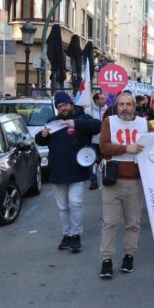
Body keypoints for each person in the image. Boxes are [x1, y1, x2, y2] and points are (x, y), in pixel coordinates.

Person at [98, 92, 154, 279]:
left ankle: (129, 255)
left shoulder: (143, 123)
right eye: (122, 104)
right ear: (116, 106)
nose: (125, 108)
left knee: (133, 223)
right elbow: (103, 147)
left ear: (135, 107)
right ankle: (107, 259)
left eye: (129, 104)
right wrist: (126, 148)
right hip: (113, 179)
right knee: (110, 222)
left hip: (136, 181)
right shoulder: (109, 122)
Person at [35, 92, 102, 253]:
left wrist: (75, 123)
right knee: (62, 207)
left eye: (64, 105)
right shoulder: (53, 122)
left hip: (77, 170)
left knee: (75, 203)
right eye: (59, 106)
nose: (62, 108)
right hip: (57, 170)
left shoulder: (82, 118)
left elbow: (97, 126)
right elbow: (40, 140)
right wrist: (42, 135)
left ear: (70, 104)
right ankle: (66, 234)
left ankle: (76, 235)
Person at [85, 92, 108, 190]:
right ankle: (93, 180)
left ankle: (106, 179)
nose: (104, 100)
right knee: (92, 161)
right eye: (102, 98)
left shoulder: (107, 110)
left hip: (104, 141)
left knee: (105, 161)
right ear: (96, 100)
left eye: (104, 98)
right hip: (93, 141)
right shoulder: (88, 111)